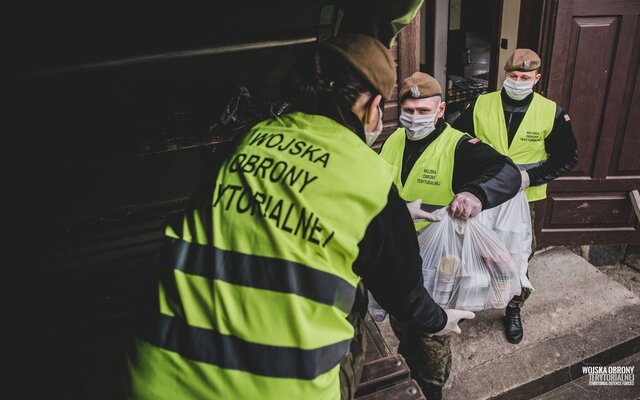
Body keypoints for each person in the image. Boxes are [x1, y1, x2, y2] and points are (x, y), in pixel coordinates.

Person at [125, 34, 474, 400]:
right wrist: (440, 320)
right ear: (372, 106)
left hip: (155, 378)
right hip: (279, 391)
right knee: (351, 294)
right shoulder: (369, 178)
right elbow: (403, 295)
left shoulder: (246, 141)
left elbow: (275, 206)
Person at [378, 71, 521, 400]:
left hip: (441, 258)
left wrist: (475, 194)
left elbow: (506, 171)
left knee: (432, 331)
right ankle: (408, 365)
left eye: (423, 111)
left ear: (440, 110)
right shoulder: (393, 140)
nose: (414, 118)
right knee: (403, 319)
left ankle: (431, 386)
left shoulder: (459, 146)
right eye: (409, 110)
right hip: (400, 250)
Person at [453, 48, 578, 345]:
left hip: (526, 198)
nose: (517, 81)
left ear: (536, 78)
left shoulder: (551, 112)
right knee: (474, 248)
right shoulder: (481, 104)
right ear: (505, 75)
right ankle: (469, 298)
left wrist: (530, 177)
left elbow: (567, 156)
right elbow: (455, 140)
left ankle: (513, 306)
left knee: (519, 255)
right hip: (485, 194)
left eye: (524, 77)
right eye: (512, 75)